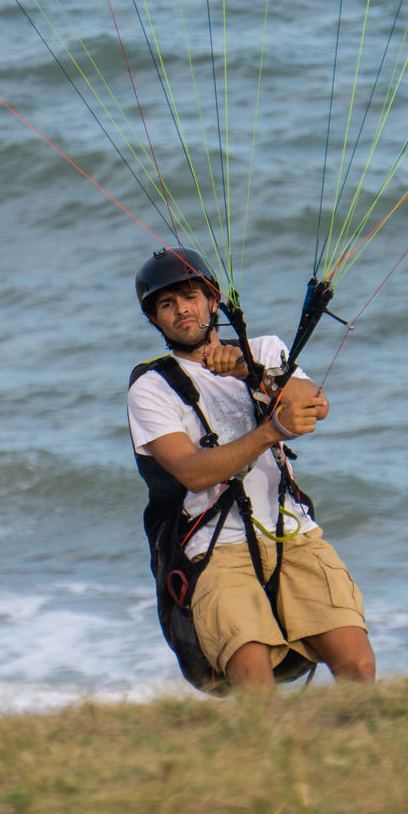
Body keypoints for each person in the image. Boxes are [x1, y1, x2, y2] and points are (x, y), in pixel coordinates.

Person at [127, 247, 375, 690]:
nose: (182, 310)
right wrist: (269, 431)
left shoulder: (264, 350)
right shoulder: (151, 387)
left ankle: (358, 751)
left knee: (357, 665)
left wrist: (246, 368)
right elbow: (193, 473)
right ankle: (270, 756)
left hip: (291, 532)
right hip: (215, 550)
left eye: (190, 296)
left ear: (213, 301)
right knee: (253, 683)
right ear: (155, 320)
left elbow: (313, 405)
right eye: (167, 304)